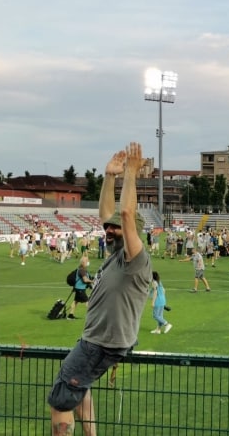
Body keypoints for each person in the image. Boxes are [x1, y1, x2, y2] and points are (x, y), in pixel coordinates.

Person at [48, 142, 152, 436]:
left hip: (102, 343)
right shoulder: (116, 257)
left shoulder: (135, 258)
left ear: (131, 232)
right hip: (98, 341)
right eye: (109, 227)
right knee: (80, 390)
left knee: (61, 399)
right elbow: (108, 214)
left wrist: (131, 174)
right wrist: (109, 177)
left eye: (115, 228)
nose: (109, 230)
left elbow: (127, 214)